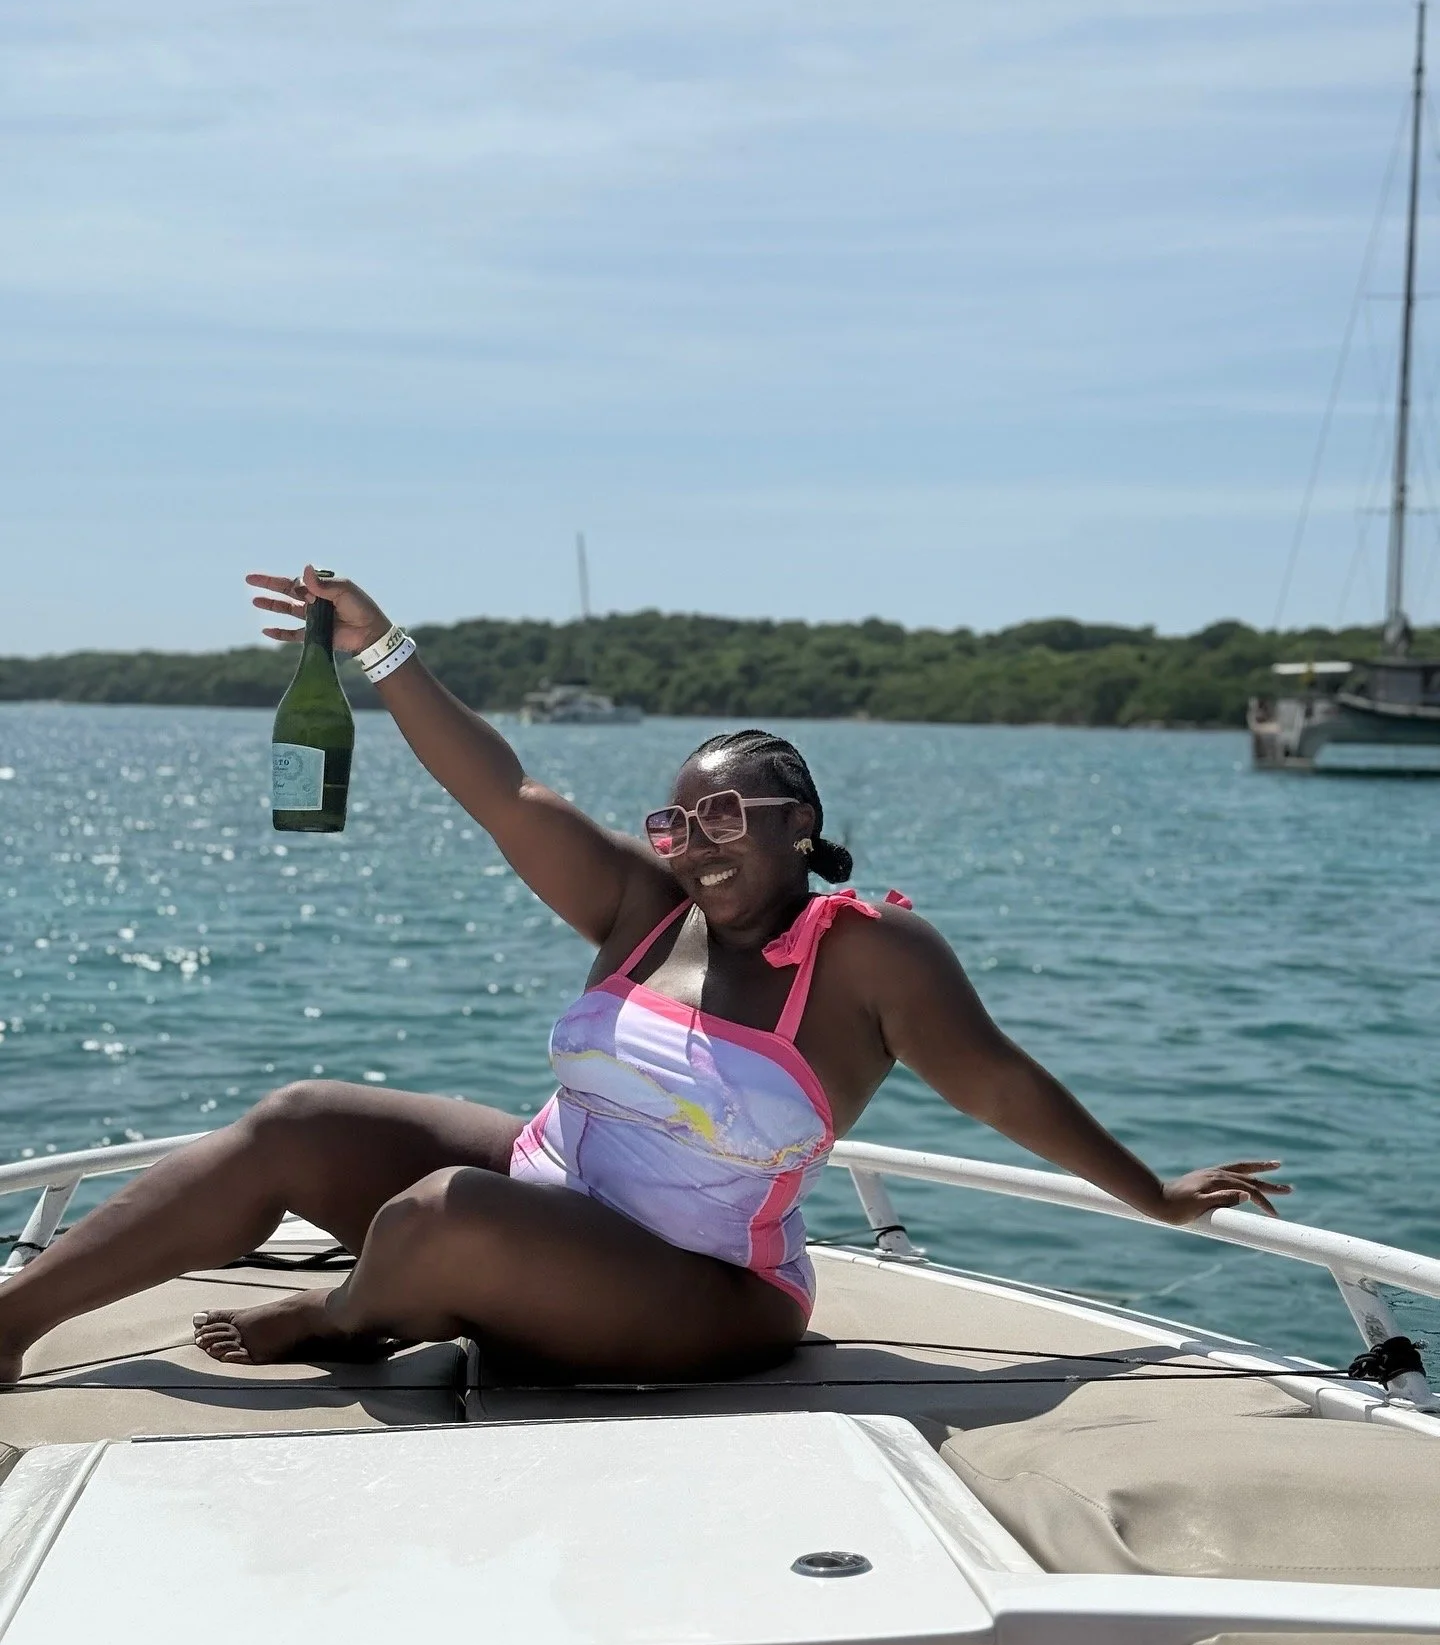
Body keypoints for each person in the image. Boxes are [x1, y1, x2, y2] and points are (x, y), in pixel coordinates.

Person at [0, 567, 1288, 1384]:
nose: (696, 841)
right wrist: (383, 650)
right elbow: (500, 787)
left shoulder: (865, 956)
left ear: (801, 823)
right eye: (679, 821)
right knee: (302, 1122)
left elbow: (1004, 1088)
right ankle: (10, 1329)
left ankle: (355, 1321)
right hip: (550, 1195)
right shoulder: (638, 905)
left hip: (702, 1289)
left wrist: (1156, 1198)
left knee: (445, 1213)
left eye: (729, 816)